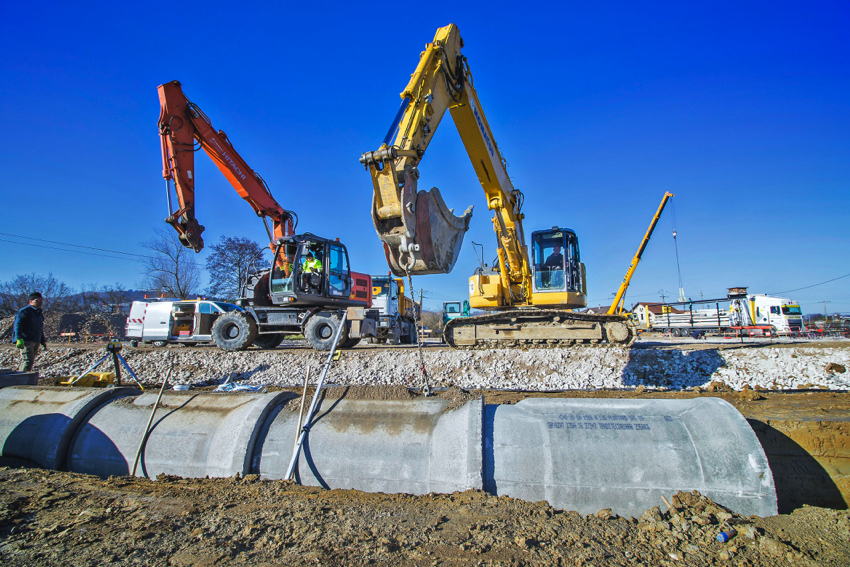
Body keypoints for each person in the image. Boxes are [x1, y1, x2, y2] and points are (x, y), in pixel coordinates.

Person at [14, 292, 48, 372]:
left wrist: (42, 341)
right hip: (27, 339)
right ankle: (22, 379)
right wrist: (19, 338)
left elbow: (40, 328)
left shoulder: (39, 313)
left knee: (30, 361)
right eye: (37, 300)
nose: (40, 302)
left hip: (36, 339)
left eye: (41, 300)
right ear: (31, 301)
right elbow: (18, 325)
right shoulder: (24, 312)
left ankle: (24, 377)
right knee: (27, 361)